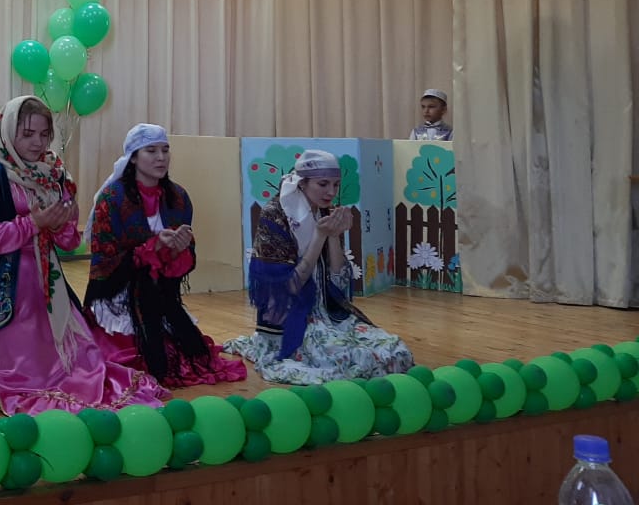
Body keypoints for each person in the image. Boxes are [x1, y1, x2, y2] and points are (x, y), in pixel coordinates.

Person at [0, 96, 167, 414]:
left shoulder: (52, 172)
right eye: (28, 134)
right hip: (1, 287)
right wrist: (33, 223)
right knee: (19, 373)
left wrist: (60, 224)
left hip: (48, 288)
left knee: (83, 363)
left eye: (44, 134)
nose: (38, 142)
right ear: (7, 131)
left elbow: (70, 241)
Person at [225, 149, 413, 384]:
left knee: (395, 350)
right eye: (323, 184)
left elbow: (339, 281)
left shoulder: (325, 210)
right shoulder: (275, 215)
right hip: (292, 319)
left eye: (335, 184)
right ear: (302, 182)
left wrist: (333, 235)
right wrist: (319, 236)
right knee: (348, 360)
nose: (331, 192)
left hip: (329, 315)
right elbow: (287, 288)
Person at [84, 124, 247, 388]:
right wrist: (151, 248)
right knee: (131, 360)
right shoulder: (112, 198)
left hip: (161, 291)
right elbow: (105, 257)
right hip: (120, 292)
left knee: (190, 355)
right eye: (151, 151)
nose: (161, 157)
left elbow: (186, 254)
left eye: (165, 150)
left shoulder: (178, 197)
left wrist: (177, 250)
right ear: (133, 157)